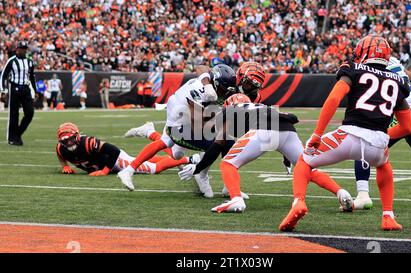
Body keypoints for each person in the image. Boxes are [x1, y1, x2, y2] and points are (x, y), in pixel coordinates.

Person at [279, 35, 411, 232]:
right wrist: (381, 138)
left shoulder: (353, 68)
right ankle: (388, 216)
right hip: (377, 143)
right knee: (384, 165)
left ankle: (298, 202)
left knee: (304, 161)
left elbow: (334, 99)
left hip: (348, 136)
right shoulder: (399, 81)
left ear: (363, 52)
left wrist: (317, 134)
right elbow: (408, 127)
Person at [178, 94, 354, 213]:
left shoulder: (228, 111)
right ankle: (340, 193)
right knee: (308, 169)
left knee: (228, 164)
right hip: (288, 130)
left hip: (265, 131)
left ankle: (236, 199)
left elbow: (217, 146)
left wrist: (198, 168)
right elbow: (288, 121)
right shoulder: (260, 106)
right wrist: (287, 157)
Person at [117, 64, 238, 197]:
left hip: (180, 117)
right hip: (179, 126)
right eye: (223, 89)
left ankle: (130, 167)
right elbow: (199, 125)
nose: (225, 93)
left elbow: (202, 67)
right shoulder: (199, 91)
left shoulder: (207, 84)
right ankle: (200, 173)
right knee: (218, 143)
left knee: (174, 151)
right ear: (215, 83)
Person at [353, 56, 411, 209]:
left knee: (365, 147)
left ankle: (363, 195)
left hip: (402, 114)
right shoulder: (394, 61)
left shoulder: (372, 65)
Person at [56, 122, 200, 179]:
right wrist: (65, 166)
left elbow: (114, 151)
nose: (68, 143)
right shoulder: (61, 149)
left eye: (70, 139)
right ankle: (149, 132)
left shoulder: (88, 143)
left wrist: (105, 171)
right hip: (112, 164)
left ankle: (190, 159)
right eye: (65, 141)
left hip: (117, 161)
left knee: (154, 168)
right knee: (149, 159)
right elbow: (60, 154)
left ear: (77, 136)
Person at [0, 41, 37, 146]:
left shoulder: (29, 62)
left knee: (30, 113)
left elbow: (32, 77)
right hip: (14, 87)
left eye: (25, 48)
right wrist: (2, 91)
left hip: (26, 89)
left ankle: (18, 134)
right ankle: (12, 138)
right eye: (21, 48)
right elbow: (3, 75)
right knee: (14, 114)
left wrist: (35, 90)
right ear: (17, 49)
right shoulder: (11, 61)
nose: (23, 50)